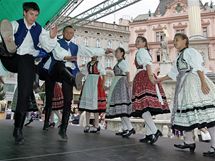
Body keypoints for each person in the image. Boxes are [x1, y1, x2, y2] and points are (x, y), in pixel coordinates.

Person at [37, 25, 112, 140]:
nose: (69, 34)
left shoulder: (75, 46)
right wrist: (67, 57)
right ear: (63, 32)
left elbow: (89, 50)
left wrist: (104, 50)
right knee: (50, 94)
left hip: (69, 73)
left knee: (68, 100)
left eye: (71, 33)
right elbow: (57, 54)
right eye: (67, 32)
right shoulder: (56, 42)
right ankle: (46, 122)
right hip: (54, 71)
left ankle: (63, 129)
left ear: (73, 34)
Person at [0, 2, 57, 144]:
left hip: (26, 63)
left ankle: (18, 128)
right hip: (11, 59)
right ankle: (7, 43)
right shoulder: (15, 24)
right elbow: (6, 28)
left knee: (24, 93)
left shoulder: (40, 29)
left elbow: (48, 47)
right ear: (24, 13)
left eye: (36, 15)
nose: (34, 17)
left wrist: (51, 36)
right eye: (31, 14)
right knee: (9, 49)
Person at [158, 33, 215, 158]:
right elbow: (174, 73)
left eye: (177, 40)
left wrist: (203, 82)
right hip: (184, 84)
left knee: (206, 115)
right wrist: (160, 80)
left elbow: (198, 67)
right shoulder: (179, 56)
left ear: (185, 40)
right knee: (187, 114)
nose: (174, 42)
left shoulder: (190, 51)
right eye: (174, 40)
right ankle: (189, 141)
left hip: (193, 82)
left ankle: (214, 145)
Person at [131, 36, 169, 144]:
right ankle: (149, 134)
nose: (136, 42)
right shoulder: (142, 51)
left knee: (143, 107)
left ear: (144, 43)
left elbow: (148, 64)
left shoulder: (142, 51)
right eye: (136, 41)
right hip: (143, 76)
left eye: (138, 41)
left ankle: (154, 130)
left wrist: (151, 77)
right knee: (145, 107)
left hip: (143, 77)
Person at [106, 47, 135, 138]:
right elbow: (116, 53)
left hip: (121, 83)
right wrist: (112, 50)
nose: (116, 54)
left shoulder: (123, 62)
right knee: (120, 108)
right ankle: (125, 128)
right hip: (117, 83)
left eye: (118, 52)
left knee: (122, 108)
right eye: (116, 52)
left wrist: (128, 84)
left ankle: (130, 128)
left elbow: (127, 72)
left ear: (122, 53)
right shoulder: (120, 61)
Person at [79, 56, 106, 133]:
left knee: (95, 107)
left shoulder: (98, 64)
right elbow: (83, 73)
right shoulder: (88, 64)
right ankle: (87, 125)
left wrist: (102, 85)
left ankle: (97, 125)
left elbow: (104, 74)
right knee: (87, 106)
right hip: (89, 82)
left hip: (96, 82)